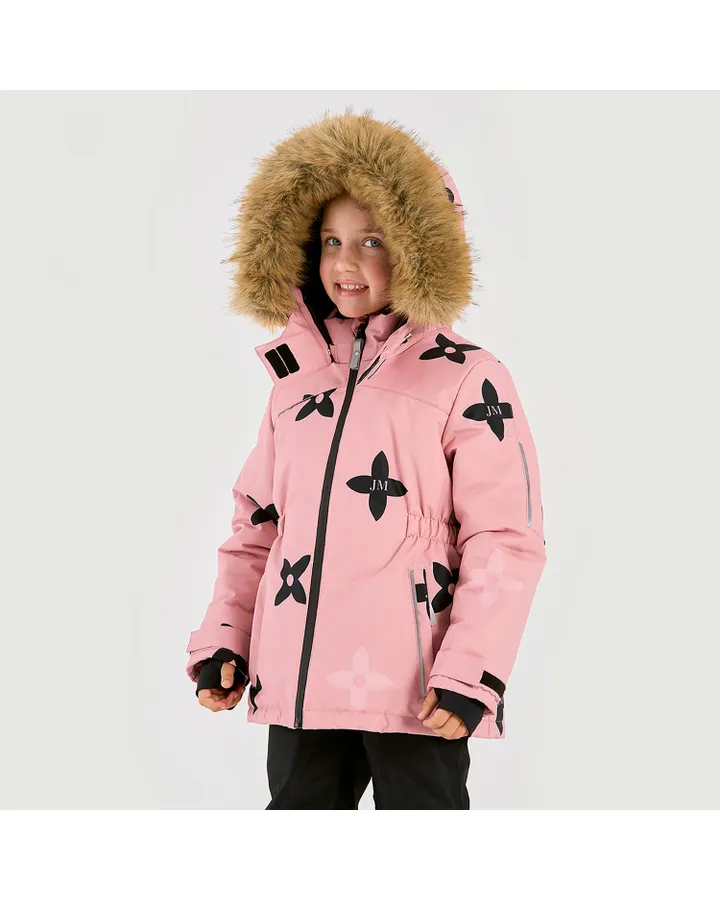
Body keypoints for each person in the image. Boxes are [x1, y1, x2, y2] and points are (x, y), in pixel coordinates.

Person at [185, 109, 548, 809]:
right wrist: (227, 637)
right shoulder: (296, 384)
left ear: (418, 247)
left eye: (372, 241)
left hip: (418, 690)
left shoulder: (467, 378)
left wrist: (472, 670)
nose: (345, 264)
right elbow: (258, 525)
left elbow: (505, 537)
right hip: (297, 683)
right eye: (331, 241)